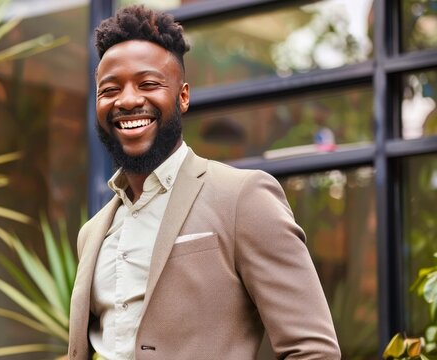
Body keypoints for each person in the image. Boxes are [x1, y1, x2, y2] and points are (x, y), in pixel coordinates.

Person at [67, 5, 340, 360]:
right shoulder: (92, 234)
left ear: (182, 96)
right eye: (110, 89)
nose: (129, 100)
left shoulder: (243, 198)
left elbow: (312, 350)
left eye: (148, 84)